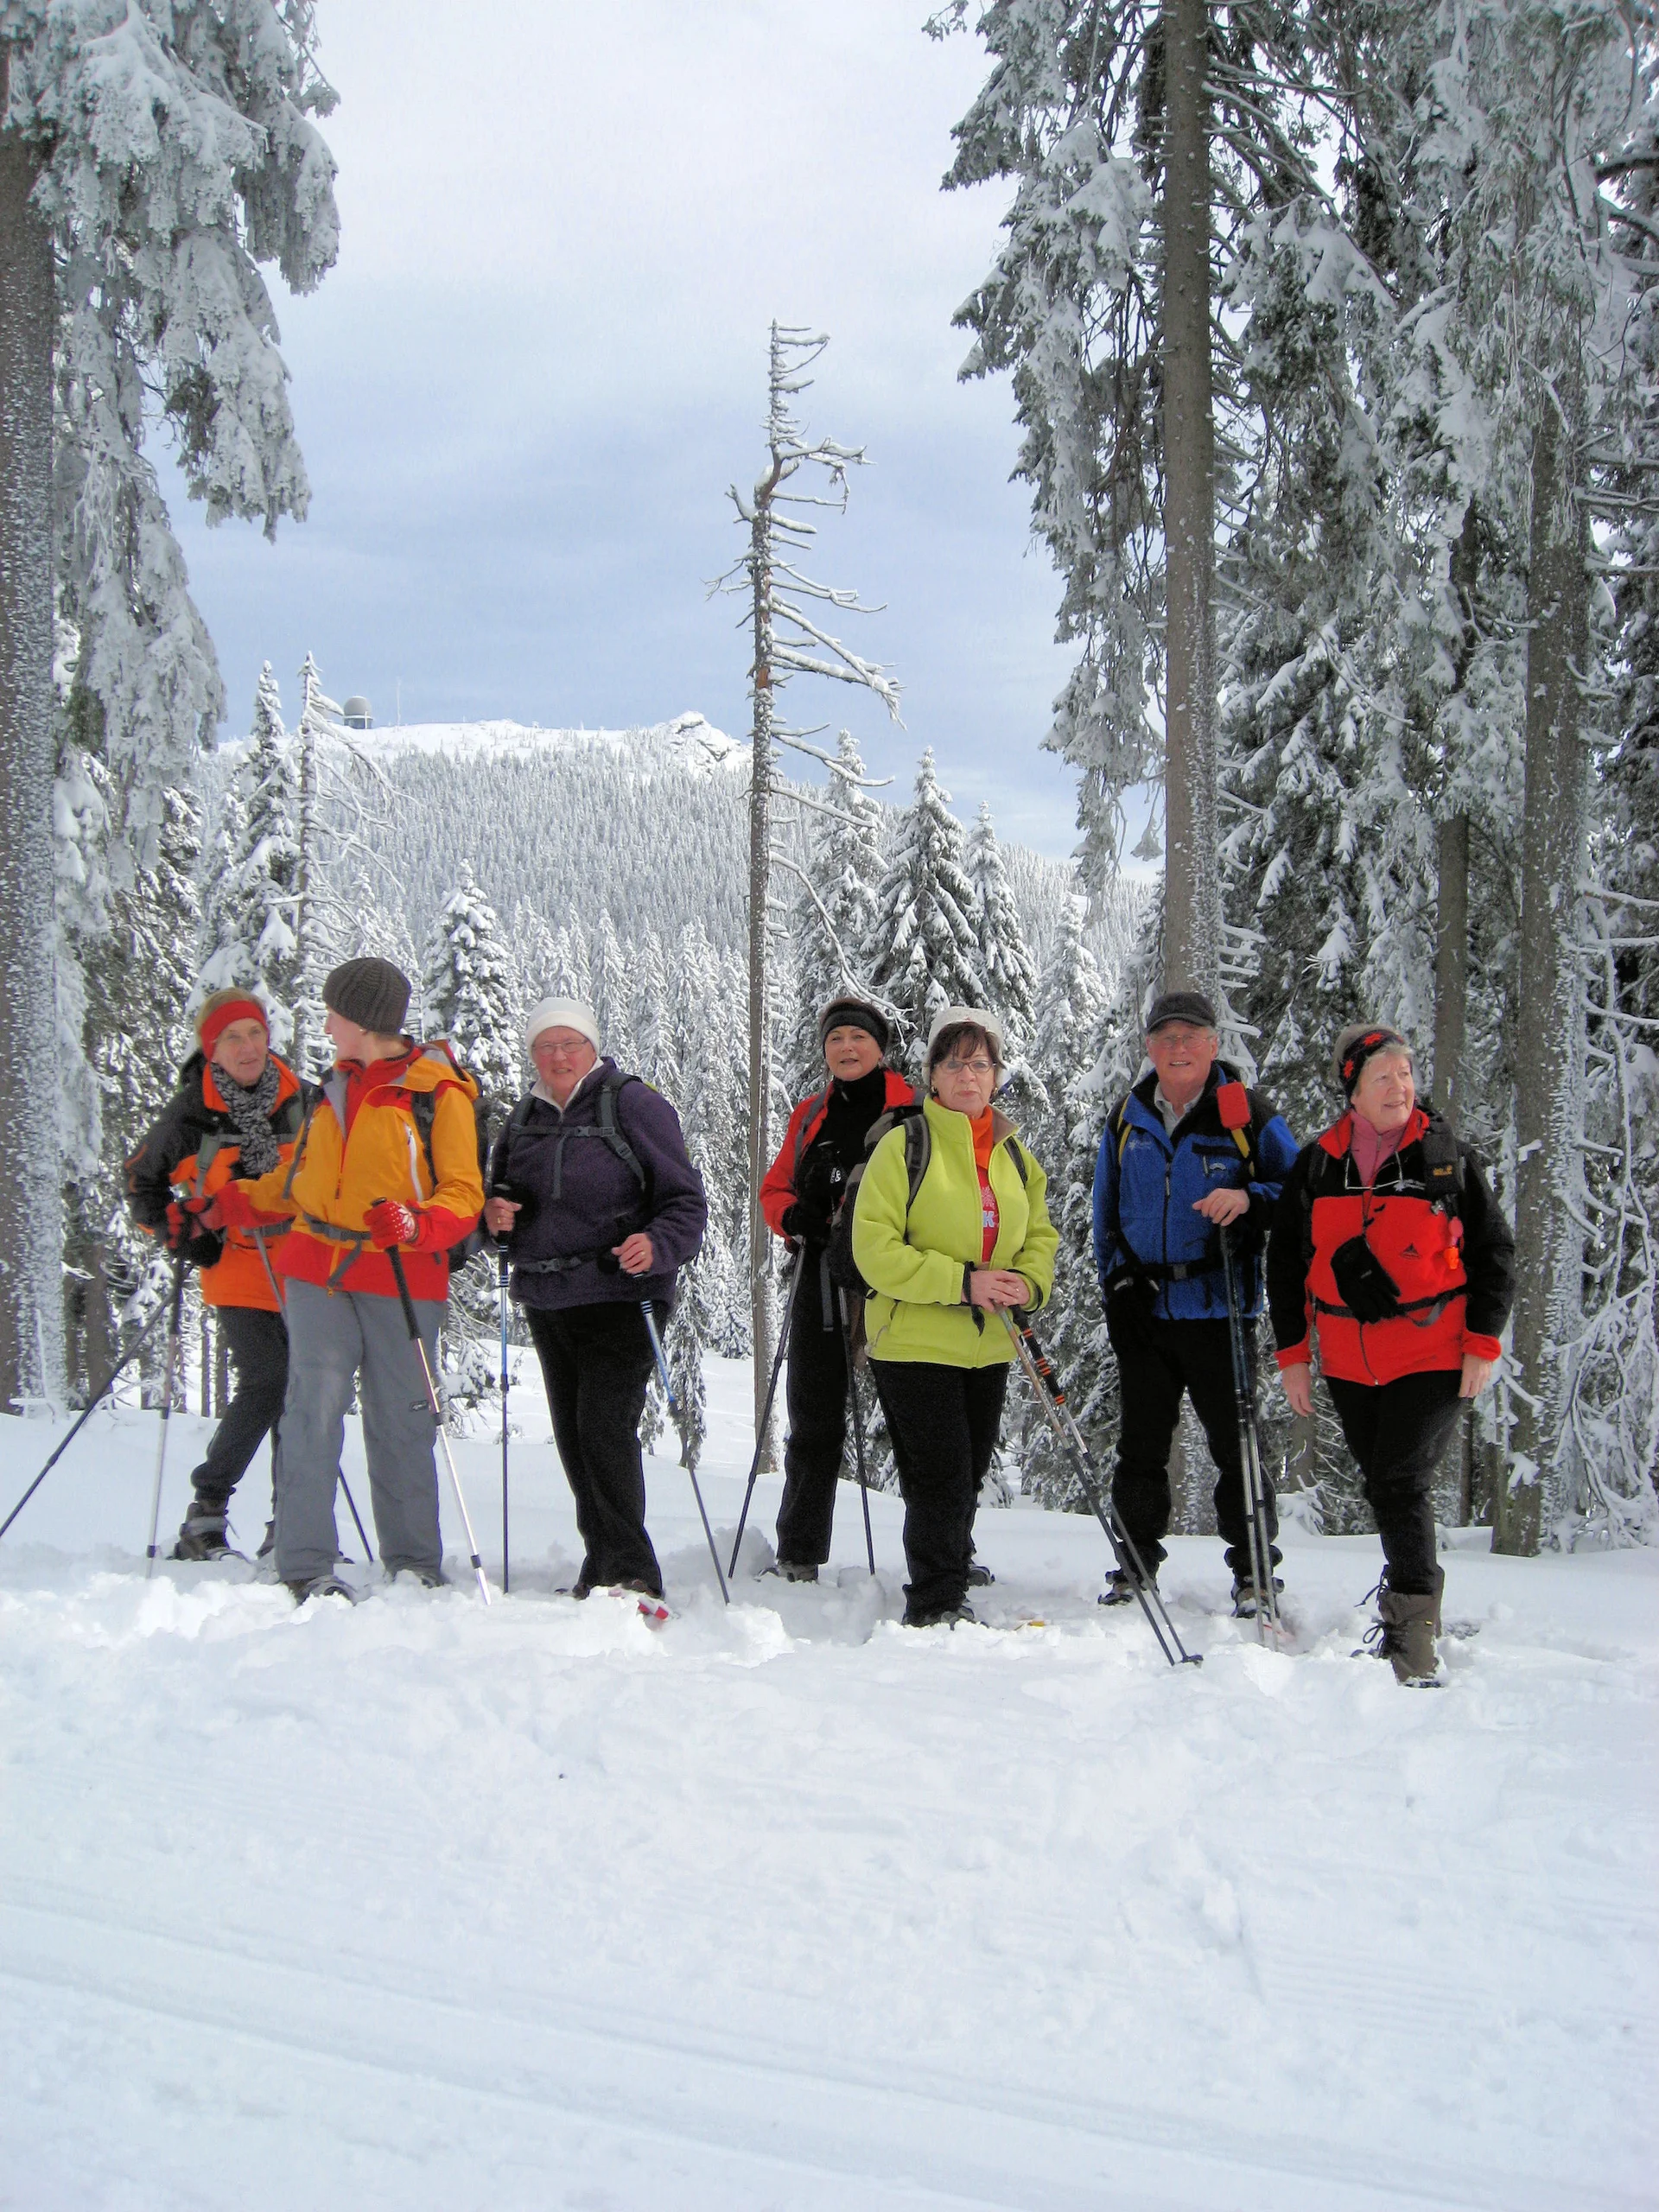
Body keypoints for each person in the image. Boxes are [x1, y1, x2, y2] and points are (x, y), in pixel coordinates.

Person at [201, 957, 485, 1604]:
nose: (325, 1024)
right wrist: (226, 1204)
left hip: (399, 1275)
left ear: (361, 1020)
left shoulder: (438, 1093)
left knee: (402, 1417)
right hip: (317, 1272)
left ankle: (413, 1561)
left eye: (334, 1012)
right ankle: (304, 1564)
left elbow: (464, 1193)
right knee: (311, 1410)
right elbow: (298, 1183)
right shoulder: (331, 1090)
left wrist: (416, 1224)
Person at [1267, 1024, 1515, 1683]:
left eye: (1405, 1074)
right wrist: (1294, 1353)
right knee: (1385, 1483)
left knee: (1398, 1482)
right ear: (1352, 1088)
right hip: (1350, 1362)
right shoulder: (1319, 1164)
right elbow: (1285, 1264)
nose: (1399, 1087)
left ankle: (1414, 1636)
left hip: (1434, 1354)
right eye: (1382, 1076)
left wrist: (1483, 1342)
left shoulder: (1445, 1159)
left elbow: (1495, 1252)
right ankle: (1409, 1599)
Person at [483, 996, 708, 1602]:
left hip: (620, 1292)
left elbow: (685, 1201)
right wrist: (497, 1214)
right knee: (574, 1434)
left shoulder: (631, 1103)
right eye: (545, 1046)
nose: (558, 1056)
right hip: (550, 1296)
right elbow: (502, 1193)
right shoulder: (524, 1115)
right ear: (532, 1054)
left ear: (593, 1046)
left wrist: (655, 1244)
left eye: (570, 1044)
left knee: (603, 1425)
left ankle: (632, 1569)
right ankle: (603, 1560)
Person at [1091, 989, 1300, 1615]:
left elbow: (1297, 1192)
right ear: (1150, 1048)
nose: (1178, 1048)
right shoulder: (1127, 1116)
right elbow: (1105, 1211)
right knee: (1141, 1448)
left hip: (1221, 1309)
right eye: (1166, 1038)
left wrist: (1249, 1200)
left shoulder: (1247, 1116)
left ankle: (1256, 1574)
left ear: (1214, 1045)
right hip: (1145, 1308)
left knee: (1236, 1447)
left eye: (1191, 1037)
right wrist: (1116, 1286)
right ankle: (1134, 1568)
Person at [851, 1006, 1057, 1627]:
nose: (968, 1075)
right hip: (912, 1339)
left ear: (996, 1075)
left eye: (980, 1062)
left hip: (989, 1344)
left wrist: (1028, 1284)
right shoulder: (904, 1145)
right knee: (940, 1473)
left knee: (965, 1469)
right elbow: (874, 1251)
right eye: (953, 1062)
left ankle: (951, 1561)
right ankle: (935, 1598)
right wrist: (963, 1284)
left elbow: (1040, 1236)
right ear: (932, 1076)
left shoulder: (1014, 1155)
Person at [125, 991, 312, 1560]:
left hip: (304, 1267)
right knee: (272, 1378)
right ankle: (208, 1506)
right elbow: (140, 1182)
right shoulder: (191, 1113)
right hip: (235, 1268)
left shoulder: (303, 1100)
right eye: (233, 1038)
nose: (248, 1047)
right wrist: (181, 1233)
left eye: (255, 1034)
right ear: (212, 1049)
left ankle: (292, 1522)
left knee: (301, 1392)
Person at [757, 997, 918, 1581]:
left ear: (880, 1046)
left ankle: (945, 1554)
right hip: (821, 1273)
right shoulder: (810, 1114)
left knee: (917, 1419)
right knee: (815, 1416)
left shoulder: (914, 1110)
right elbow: (774, 1189)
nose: (847, 1048)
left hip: (895, 1278)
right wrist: (792, 1218)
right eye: (836, 1038)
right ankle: (799, 1552)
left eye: (859, 1037)